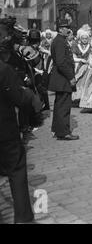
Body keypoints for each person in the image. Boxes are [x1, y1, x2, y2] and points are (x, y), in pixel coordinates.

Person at [0, 60, 35, 224]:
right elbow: (20, 98)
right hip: (5, 131)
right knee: (17, 169)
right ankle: (23, 217)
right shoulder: (3, 69)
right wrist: (26, 92)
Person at [48, 21, 79, 141]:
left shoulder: (59, 40)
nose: (69, 30)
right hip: (63, 79)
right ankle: (64, 132)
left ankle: (58, 129)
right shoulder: (60, 41)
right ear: (60, 29)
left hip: (61, 78)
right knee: (64, 107)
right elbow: (61, 63)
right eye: (66, 28)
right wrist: (71, 77)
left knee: (59, 105)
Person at [71, 29, 91, 107]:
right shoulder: (76, 46)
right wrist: (81, 60)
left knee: (86, 82)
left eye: (86, 38)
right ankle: (76, 99)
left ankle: (84, 99)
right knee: (78, 82)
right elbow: (73, 57)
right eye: (83, 38)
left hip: (88, 66)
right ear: (80, 38)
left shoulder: (90, 46)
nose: (85, 40)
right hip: (78, 66)